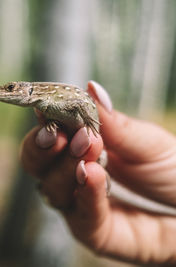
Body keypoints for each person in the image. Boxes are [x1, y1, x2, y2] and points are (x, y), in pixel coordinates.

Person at [20, 81, 176, 265]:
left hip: (99, 152)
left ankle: (103, 175)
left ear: (29, 89)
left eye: (11, 89)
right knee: (72, 155)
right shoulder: (44, 106)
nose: (5, 93)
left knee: (90, 157)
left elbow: (77, 104)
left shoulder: (50, 100)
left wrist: (92, 121)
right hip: (85, 151)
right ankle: (99, 177)